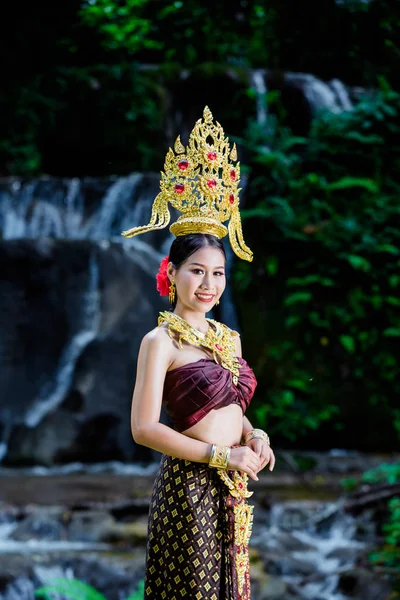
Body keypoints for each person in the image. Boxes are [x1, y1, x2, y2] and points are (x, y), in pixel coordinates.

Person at [121, 107, 275, 600]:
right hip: (188, 488)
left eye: (218, 273)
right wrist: (219, 454)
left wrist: (255, 435)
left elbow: (233, 411)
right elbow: (143, 429)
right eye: (197, 271)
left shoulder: (229, 338)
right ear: (173, 272)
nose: (209, 284)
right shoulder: (159, 342)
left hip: (233, 486)